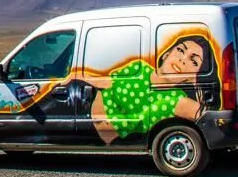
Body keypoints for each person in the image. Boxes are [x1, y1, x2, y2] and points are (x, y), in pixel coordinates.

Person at [85, 35, 217, 145]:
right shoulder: (139, 68)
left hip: (105, 136)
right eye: (181, 50)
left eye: (193, 62)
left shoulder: (178, 100)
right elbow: (105, 82)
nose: (182, 59)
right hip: (85, 110)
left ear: (194, 76)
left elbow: (212, 119)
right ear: (166, 54)